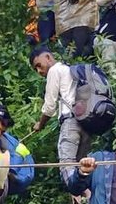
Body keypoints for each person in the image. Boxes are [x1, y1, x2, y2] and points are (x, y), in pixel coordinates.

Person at [29, 47, 86, 190]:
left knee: (66, 164)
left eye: (38, 65)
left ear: (48, 57)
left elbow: (49, 106)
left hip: (71, 121)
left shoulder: (55, 70)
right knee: (81, 165)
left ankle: (83, 193)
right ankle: (84, 197)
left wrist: (40, 124)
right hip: (86, 122)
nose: (39, 71)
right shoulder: (68, 70)